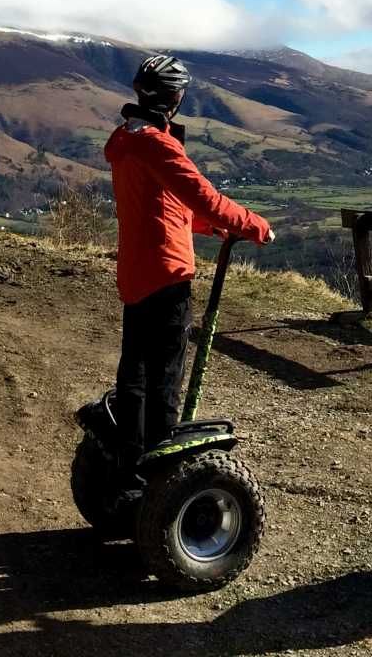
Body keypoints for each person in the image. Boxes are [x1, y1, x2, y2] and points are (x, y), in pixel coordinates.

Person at [105, 55, 274, 464]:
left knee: (137, 373)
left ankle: (129, 461)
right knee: (165, 379)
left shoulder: (126, 138)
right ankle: (160, 469)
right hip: (166, 275)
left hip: (136, 271)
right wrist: (255, 225)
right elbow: (206, 198)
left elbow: (159, 204)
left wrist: (208, 228)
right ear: (176, 97)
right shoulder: (156, 144)